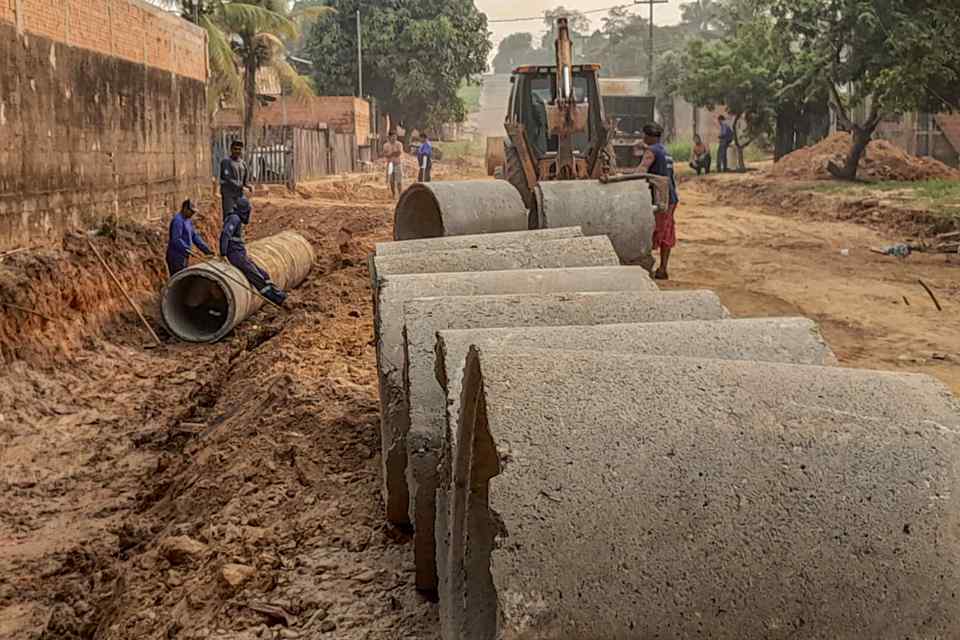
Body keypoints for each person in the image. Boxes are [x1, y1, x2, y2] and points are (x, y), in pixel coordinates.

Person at [219, 197, 288, 306]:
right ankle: (277, 299)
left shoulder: (237, 219)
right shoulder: (234, 218)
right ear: (244, 210)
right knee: (256, 277)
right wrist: (223, 254)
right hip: (235, 255)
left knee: (263, 274)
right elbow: (225, 235)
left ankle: (278, 293)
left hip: (240, 254)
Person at [636, 123, 678, 280]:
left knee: (650, 231)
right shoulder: (666, 151)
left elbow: (641, 171)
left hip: (660, 199)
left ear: (649, 136)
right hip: (671, 197)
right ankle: (663, 268)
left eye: (644, 135)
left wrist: (621, 178)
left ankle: (645, 267)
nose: (643, 138)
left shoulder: (651, 151)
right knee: (667, 231)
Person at [166, 199, 213, 276]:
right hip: (176, 256)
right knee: (178, 277)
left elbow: (194, 236)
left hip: (184, 256)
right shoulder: (178, 221)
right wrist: (187, 249)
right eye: (191, 211)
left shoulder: (188, 221)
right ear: (185, 208)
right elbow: (176, 239)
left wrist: (207, 250)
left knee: (183, 275)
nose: (192, 214)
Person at [220, 140, 250, 220]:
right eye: (235, 149)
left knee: (242, 215)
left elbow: (245, 181)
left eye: (239, 149)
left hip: (239, 195)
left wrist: (249, 186)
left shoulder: (243, 163)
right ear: (231, 149)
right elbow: (227, 178)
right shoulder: (226, 162)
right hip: (229, 195)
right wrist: (240, 186)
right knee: (230, 217)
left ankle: (239, 232)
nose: (237, 151)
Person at [383, 132, 404, 198]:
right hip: (390, 164)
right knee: (391, 180)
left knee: (399, 181)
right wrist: (392, 154)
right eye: (393, 136)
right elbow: (385, 154)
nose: (394, 138)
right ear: (389, 137)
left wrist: (390, 154)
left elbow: (399, 153)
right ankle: (393, 194)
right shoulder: (386, 145)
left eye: (395, 136)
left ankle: (400, 194)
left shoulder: (399, 144)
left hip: (397, 163)